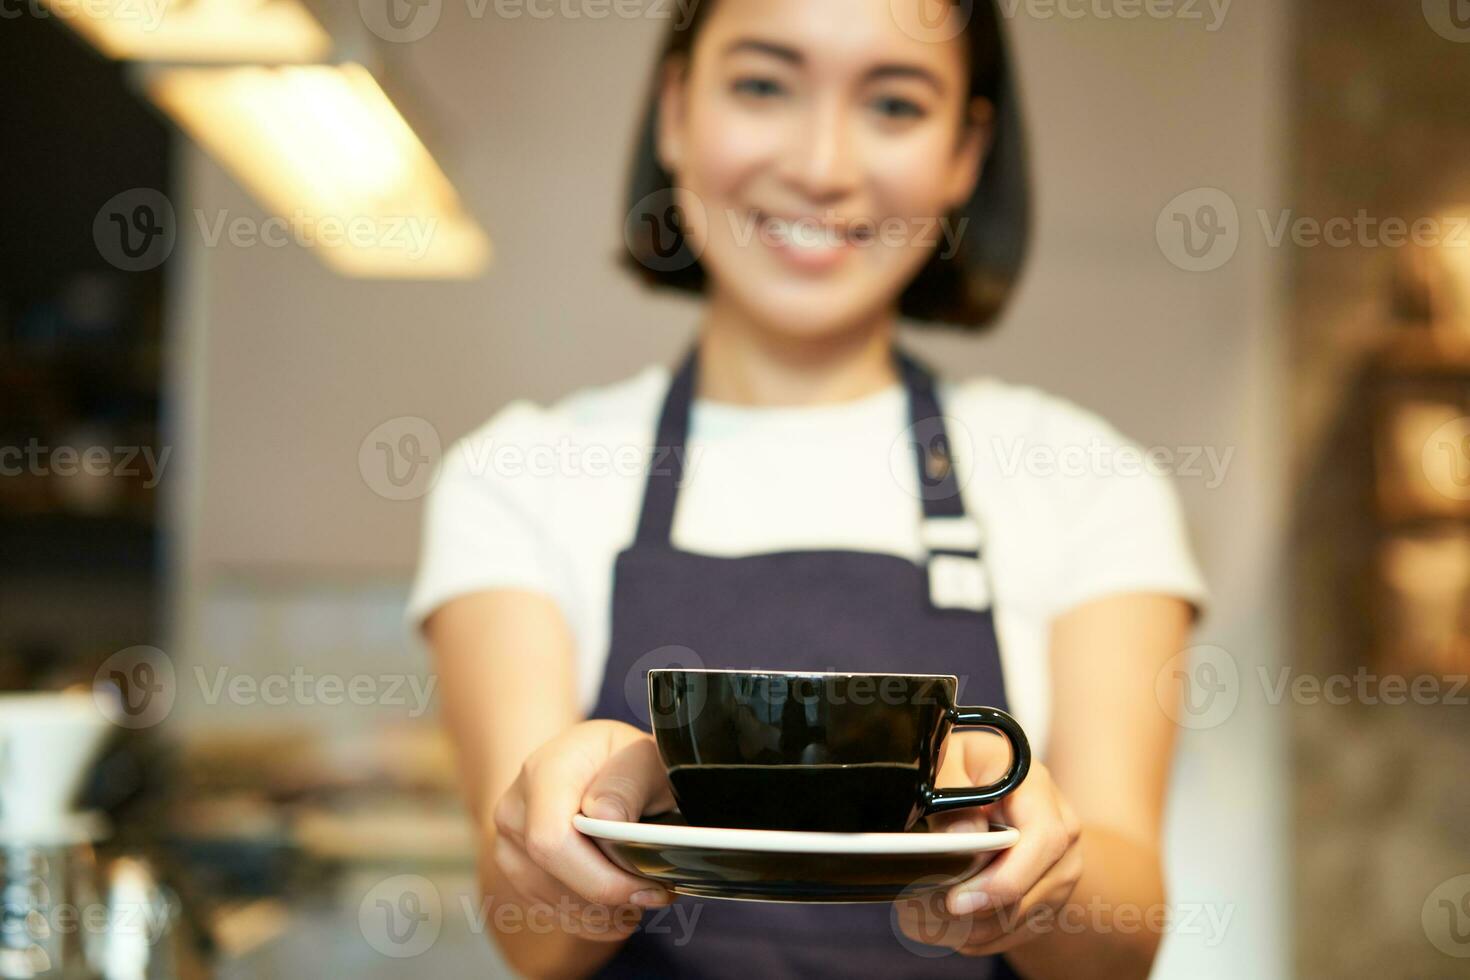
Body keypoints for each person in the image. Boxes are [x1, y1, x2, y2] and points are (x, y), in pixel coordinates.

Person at [411, 0, 1205, 976]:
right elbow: (529, 934)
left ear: (966, 152)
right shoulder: (516, 474)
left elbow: (1122, 946)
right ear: (674, 110)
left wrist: (1035, 874)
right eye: (762, 84)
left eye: (896, 104)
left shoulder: (1092, 481)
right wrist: (586, 815)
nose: (824, 164)